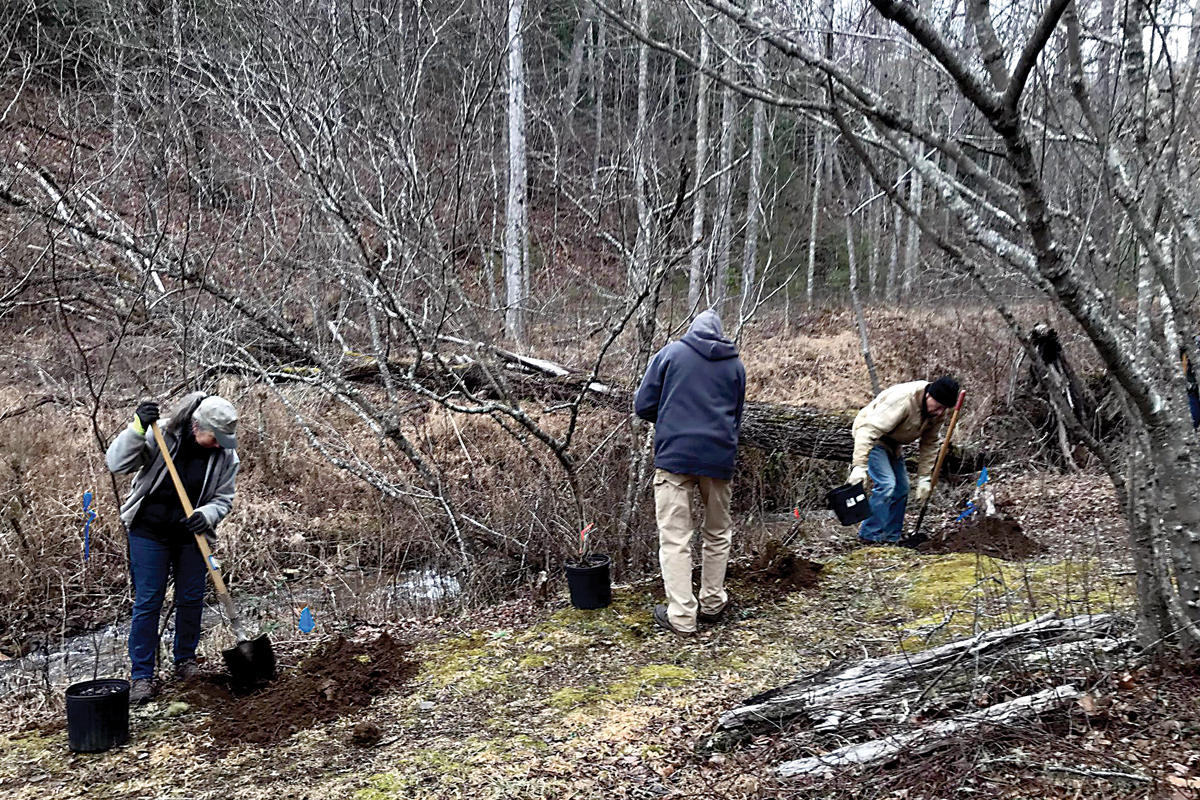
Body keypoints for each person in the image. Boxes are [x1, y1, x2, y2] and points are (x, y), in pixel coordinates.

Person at [106, 392, 240, 703]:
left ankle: (186, 662)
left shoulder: (225, 455)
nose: (222, 443)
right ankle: (142, 676)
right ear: (197, 426)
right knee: (149, 601)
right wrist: (137, 427)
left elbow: (224, 498)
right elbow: (116, 463)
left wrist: (206, 515)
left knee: (191, 598)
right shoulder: (160, 435)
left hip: (190, 536)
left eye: (226, 438)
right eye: (216, 437)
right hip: (148, 532)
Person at [634, 310, 746, 636]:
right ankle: (712, 603)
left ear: (691, 331)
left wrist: (672, 416)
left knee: (675, 538)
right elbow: (736, 415)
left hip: (675, 456)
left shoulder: (670, 355)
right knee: (717, 532)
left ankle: (682, 616)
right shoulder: (735, 365)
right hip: (719, 459)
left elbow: (642, 406)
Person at [847, 376, 959, 546]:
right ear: (929, 395)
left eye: (944, 409)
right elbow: (868, 430)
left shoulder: (937, 412)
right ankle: (870, 536)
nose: (940, 412)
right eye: (938, 407)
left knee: (902, 488)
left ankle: (892, 537)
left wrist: (924, 477)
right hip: (873, 438)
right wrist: (859, 466)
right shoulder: (903, 400)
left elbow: (929, 443)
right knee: (886, 484)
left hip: (894, 442)